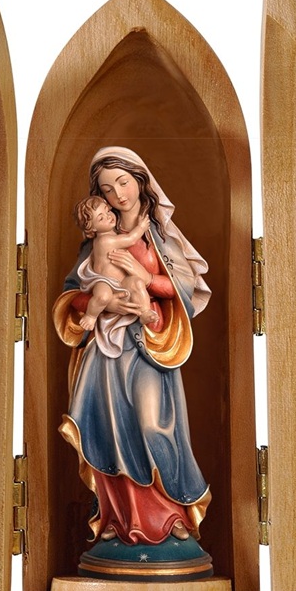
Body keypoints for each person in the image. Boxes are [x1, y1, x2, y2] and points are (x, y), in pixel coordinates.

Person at [53, 146, 211, 545]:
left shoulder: (160, 237)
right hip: (106, 351)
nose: (118, 195)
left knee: (152, 425)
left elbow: (183, 290)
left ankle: (173, 515)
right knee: (108, 429)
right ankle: (117, 518)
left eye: (123, 183)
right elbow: (76, 294)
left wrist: (144, 276)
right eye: (107, 189)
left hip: (149, 345)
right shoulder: (97, 241)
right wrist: (103, 305)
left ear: (140, 181)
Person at [73, 194, 159, 331]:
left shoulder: (111, 235)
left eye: (107, 210)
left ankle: (144, 312)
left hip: (122, 281)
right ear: (92, 228)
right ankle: (91, 316)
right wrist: (141, 227)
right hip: (104, 281)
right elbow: (130, 239)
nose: (108, 216)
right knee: (103, 297)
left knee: (137, 283)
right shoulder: (105, 240)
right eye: (101, 218)